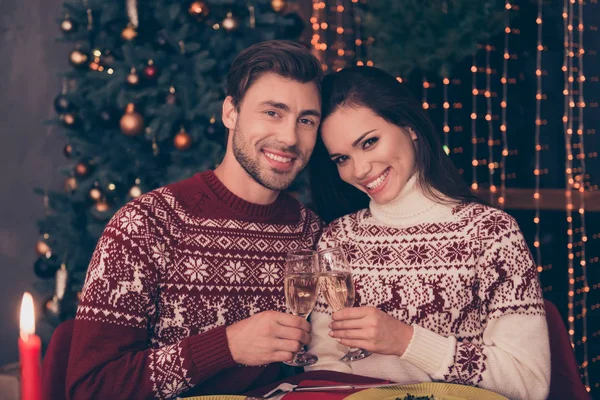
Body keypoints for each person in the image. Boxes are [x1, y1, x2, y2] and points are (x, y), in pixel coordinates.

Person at [66, 40, 324, 400]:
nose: (289, 137)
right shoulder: (145, 226)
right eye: (272, 113)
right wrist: (226, 346)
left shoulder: (311, 232)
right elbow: (91, 388)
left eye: (306, 120)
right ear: (230, 113)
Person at [306, 66, 550, 400]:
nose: (359, 170)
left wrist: (407, 341)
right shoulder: (338, 239)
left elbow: (529, 382)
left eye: (369, 142)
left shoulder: (491, 233)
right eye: (341, 158)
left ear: (410, 127)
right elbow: (324, 370)